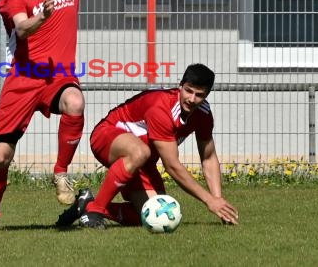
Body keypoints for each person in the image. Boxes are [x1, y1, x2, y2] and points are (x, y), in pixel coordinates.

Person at [0, 0, 189, 232]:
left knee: (75, 101)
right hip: (23, 80)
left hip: (57, 77)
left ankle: (61, 172)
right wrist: (42, 17)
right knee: (1, 157)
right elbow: (21, 27)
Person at [56, 63, 239, 230]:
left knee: (155, 212)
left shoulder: (204, 115)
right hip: (107, 136)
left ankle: (86, 205)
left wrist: (218, 201)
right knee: (140, 151)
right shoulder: (161, 109)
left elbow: (208, 157)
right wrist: (209, 201)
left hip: (142, 160)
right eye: (188, 91)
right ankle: (96, 209)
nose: (191, 99)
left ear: (207, 95)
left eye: (199, 95)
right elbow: (172, 166)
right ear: (180, 86)